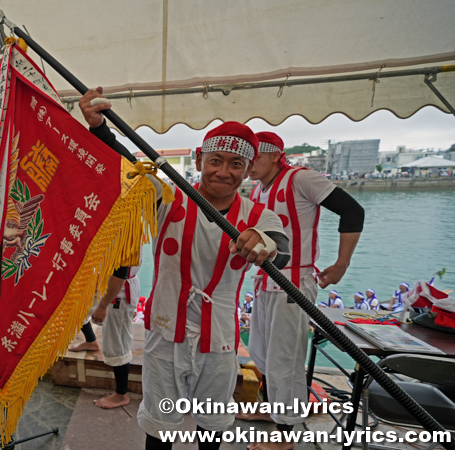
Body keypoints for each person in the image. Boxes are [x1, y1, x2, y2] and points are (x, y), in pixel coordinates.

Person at [80, 88, 290, 450]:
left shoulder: (259, 216)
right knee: (160, 428)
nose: (223, 172)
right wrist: (99, 128)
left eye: (235, 165)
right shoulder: (170, 196)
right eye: (216, 161)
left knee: (213, 427)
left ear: (248, 169)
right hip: (165, 333)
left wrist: (264, 244)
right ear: (200, 158)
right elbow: (124, 166)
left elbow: (280, 249)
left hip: (220, 339)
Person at [243, 131, 363, 450]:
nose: (249, 164)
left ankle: (287, 435)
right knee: (262, 353)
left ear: (274, 156)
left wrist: (341, 264)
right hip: (264, 281)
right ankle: (273, 410)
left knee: (286, 359)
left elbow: (353, 211)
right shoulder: (257, 190)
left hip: (293, 283)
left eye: (255, 157)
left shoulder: (300, 178)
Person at [90, 265, 141, 409]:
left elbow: (120, 272)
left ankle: (121, 394)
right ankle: (90, 341)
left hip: (119, 292)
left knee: (117, 343)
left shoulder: (122, 241)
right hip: (111, 285)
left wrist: (103, 306)